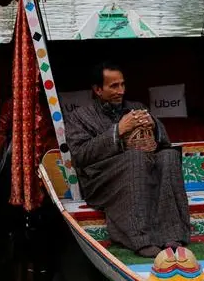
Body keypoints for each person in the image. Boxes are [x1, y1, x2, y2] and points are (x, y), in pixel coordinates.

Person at [65, 62, 190, 258]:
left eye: (122, 85)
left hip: (143, 166)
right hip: (100, 180)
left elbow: (164, 142)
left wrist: (155, 125)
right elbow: (81, 156)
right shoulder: (79, 117)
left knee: (169, 156)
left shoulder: (136, 107)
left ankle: (172, 233)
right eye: (113, 86)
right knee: (135, 158)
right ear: (98, 89)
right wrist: (118, 130)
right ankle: (140, 239)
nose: (120, 91)